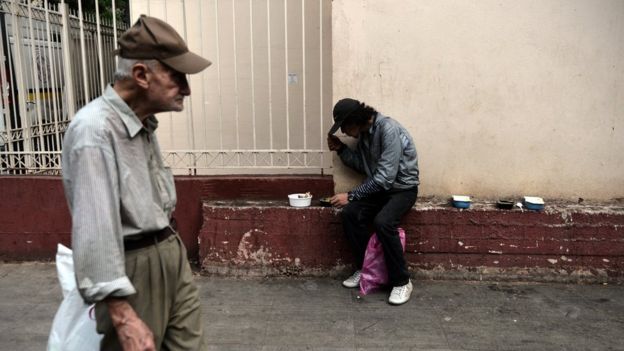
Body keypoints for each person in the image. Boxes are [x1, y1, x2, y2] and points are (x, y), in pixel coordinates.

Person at [61, 15, 211, 350]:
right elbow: (95, 229)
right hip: (132, 268)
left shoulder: (141, 121)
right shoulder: (94, 130)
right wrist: (120, 311)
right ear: (141, 75)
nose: (186, 88)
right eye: (176, 75)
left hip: (169, 252)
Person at [327, 98, 419, 305]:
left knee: (383, 222)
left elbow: (385, 178)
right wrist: (341, 150)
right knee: (350, 213)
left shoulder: (388, 130)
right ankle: (365, 269)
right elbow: (364, 167)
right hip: (381, 190)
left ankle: (402, 281)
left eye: (343, 126)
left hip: (402, 190)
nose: (343, 130)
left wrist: (350, 196)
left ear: (354, 120)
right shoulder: (366, 135)